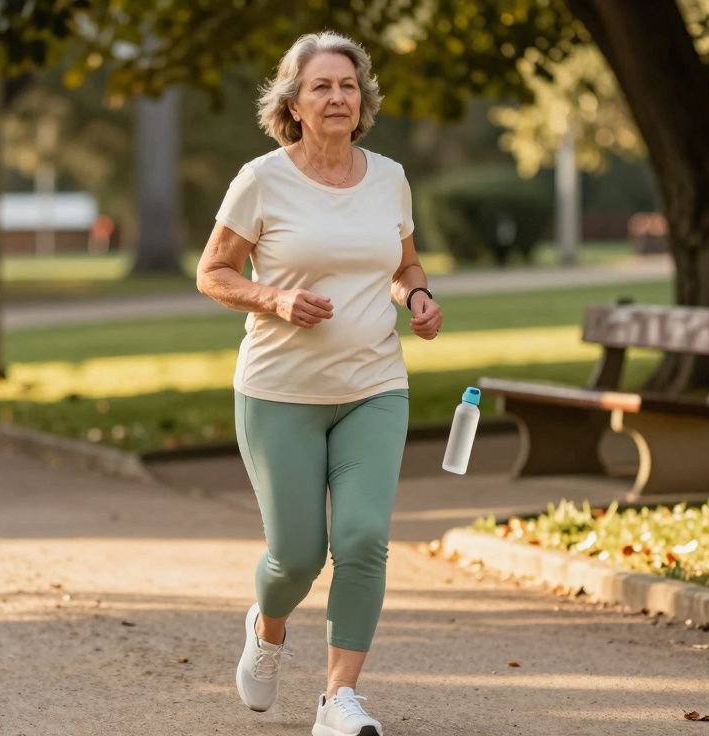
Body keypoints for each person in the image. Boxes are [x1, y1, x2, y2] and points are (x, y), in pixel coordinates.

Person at [195, 31, 443, 736]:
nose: (338, 97)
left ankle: (340, 698)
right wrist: (273, 299)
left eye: (347, 85)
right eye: (321, 87)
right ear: (294, 104)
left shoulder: (388, 176)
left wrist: (417, 299)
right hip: (280, 393)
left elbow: (404, 266)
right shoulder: (261, 179)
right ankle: (268, 630)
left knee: (363, 539)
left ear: (361, 98)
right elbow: (212, 272)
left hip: (374, 385)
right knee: (297, 555)